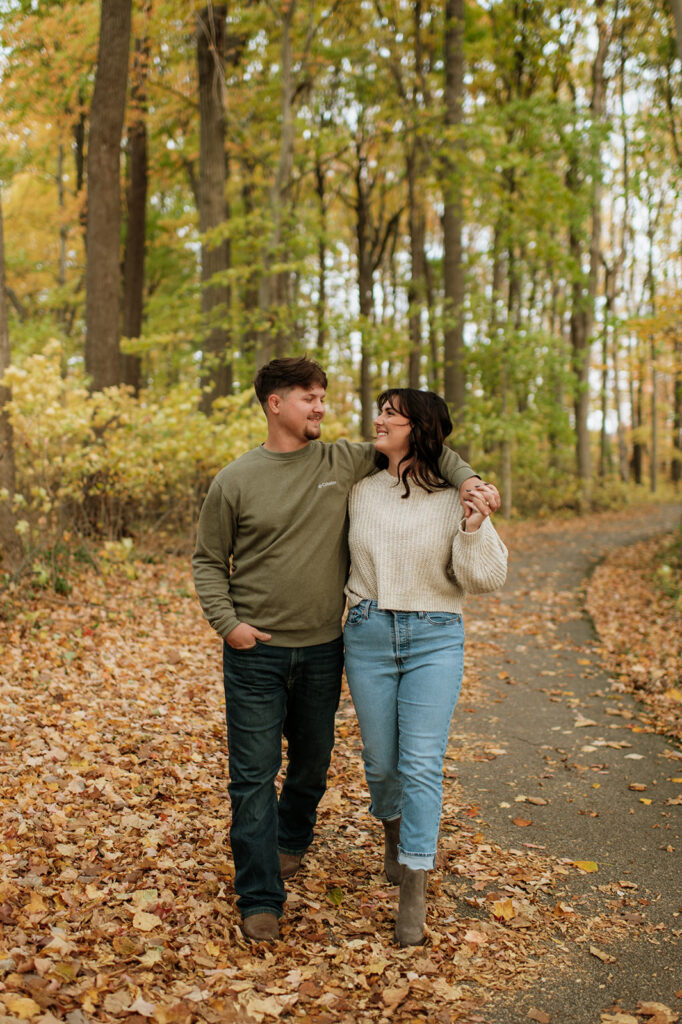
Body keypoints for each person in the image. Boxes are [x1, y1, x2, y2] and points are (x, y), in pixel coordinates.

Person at [192, 356, 500, 943]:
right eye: (308, 396)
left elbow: (430, 445)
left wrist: (468, 482)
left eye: (322, 395)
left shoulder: (343, 461)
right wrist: (227, 623)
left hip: (326, 649)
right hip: (259, 650)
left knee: (312, 766)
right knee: (253, 775)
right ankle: (260, 896)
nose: (321, 406)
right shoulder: (236, 479)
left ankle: (293, 839)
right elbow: (209, 560)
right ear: (274, 403)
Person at [343, 388, 508, 946]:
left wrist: (471, 525)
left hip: (434, 636)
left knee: (420, 762)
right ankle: (392, 831)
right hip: (367, 633)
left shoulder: (454, 495)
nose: (379, 419)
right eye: (380, 410)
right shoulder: (358, 490)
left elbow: (485, 579)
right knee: (381, 762)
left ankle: (415, 877)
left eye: (392, 413)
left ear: (421, 427)